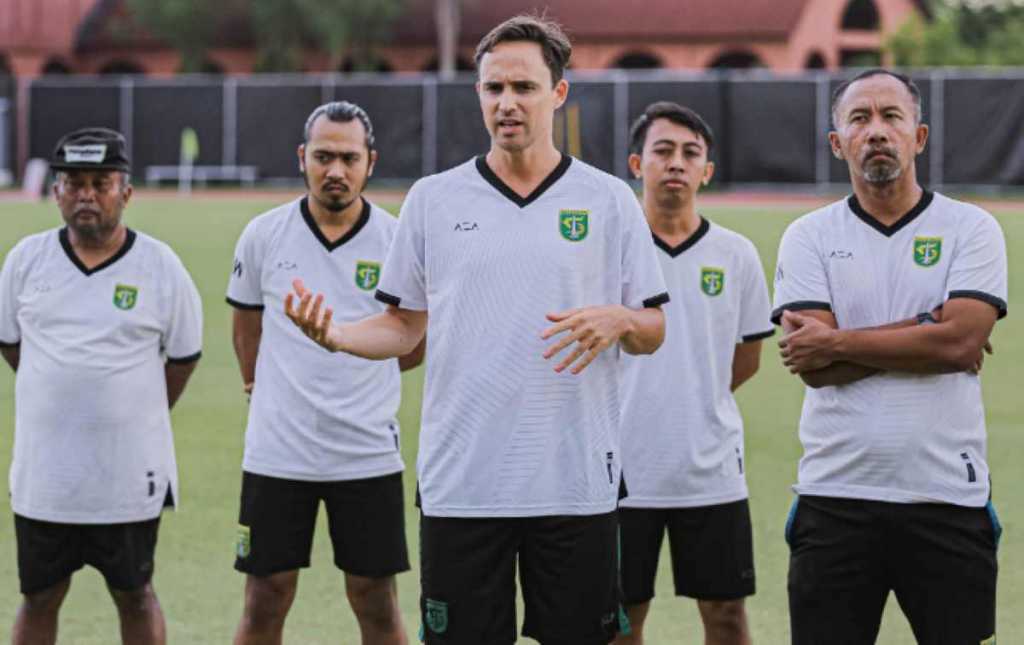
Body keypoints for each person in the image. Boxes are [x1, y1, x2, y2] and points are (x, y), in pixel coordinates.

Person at [286, 15, 669, 645]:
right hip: (463, 486)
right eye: (493, 89)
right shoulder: (434, 200)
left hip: (574, 487)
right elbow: (403, 327)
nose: (507, 103)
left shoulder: (608, 201)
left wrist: (621, 318)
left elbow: (653, 328)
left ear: (559, 93)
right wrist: (338, 336)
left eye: (523, 87)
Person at [772, 69, 1007, 644]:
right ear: (837, 144)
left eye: (891, 117)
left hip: (947, 499)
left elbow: (961, 343)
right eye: (859, 118)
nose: (876, 130)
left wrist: (844, 341)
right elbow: (815, 367)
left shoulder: (971, 228)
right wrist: (929, 328)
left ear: (918, 137)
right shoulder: (807, 235)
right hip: (835, 498)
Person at [227, 101, 421, 645]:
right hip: (277, 450)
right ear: (302, 158)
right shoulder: (264, 235)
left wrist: (362, 373)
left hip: (365, 451)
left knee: (376, 600)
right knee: (265, 596)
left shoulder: (395, 240)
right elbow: (246, 325)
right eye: (323, 156)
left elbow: (412, 342)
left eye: (348, 158)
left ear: (370, 162)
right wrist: (256, 384)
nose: (335, 170)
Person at [0, 127, 203, 645]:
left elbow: (182, 359)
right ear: (56, 192)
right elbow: (11, 344)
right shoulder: (25, 261)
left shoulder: (161, 267)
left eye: (100, 182)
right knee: (39, 595)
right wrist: (62, 395)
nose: (86, 194)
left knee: (135, 592)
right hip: (46, 475)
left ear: (126, 192)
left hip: (129, 475)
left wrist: (132, 410)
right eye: (74, 183)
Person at [615, 102, 772, 645]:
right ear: (637, 163)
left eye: (690, 153)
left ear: (707, 170)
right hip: (620, 474)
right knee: (620, 621)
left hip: (710, 471)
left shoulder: (736, 254)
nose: (675, 163)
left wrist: (693, 393)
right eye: (662, 151)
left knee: (727, 616)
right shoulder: (609, 248)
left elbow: (747, 356)